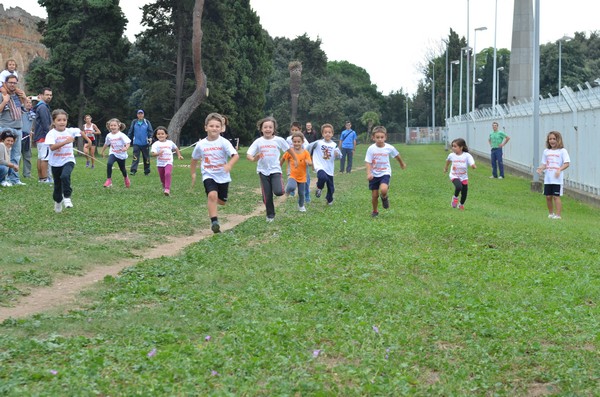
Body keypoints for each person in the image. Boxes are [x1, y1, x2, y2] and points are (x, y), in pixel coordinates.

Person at [191, 113, 239, 233]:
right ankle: (214, 222)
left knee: (222, 201)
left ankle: (215, 199)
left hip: (223, 176)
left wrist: (229, 165)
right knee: (212, 195)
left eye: (217, 126)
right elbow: (194, 160)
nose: (214, 128)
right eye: (211, 126)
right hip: (208, 174)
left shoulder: (224, 142)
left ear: (222, 128)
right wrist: (193, 173)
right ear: (206, 127)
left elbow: (235, 156)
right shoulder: (201, 144)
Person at [247, 116, 298, 222]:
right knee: (267, 195)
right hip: (262, 171)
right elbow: (249, 155)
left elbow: (289, 149)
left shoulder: (279, 140)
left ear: (274, 129)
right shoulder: (258, 141)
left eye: (270, 127)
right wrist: (254, 158)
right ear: (261, 129)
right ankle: (270, 215)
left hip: (275, 170)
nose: (268, 129)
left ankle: (284, 187)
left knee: (279, 191)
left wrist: (295, 159)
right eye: (265, 127)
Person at [45, 109, 91, 212]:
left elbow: (80, 131)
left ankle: (67, 197)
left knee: (65, 176)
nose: (62, 122)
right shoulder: (51, 134)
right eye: (59, 120)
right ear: (54, 121)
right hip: (55, 163)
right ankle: (58, 202)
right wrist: (66, 141)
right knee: (57, 185)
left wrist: (88, 141)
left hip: (68, 160)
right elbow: (52, 147)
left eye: (64, 120)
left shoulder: (70, 131)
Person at [365, 126, 407, 217]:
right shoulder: (371, 149)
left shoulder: (389, 148)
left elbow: (397, 155)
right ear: (373, 137)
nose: (380, 139)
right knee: (375, 195)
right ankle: (375, 211)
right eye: (377, 137)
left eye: (382, 137)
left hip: (385, 172)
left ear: (385, 137)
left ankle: (384, 197)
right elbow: (368, 162)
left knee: (383, 190)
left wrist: (402, 163)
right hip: (374, 174)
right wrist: (368, 173)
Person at [536, 131, 570, 219]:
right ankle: (551, 214)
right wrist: (540, 168)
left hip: (557, 180)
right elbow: (544, 164)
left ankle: (558, 215)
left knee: (556, 196)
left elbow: (567, 163)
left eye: (554, 139)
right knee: (548, 196)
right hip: (548, 179)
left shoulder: (562, 151)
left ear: (558, 140)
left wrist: (559, 169)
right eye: (550, 139)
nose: (552, 141)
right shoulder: (546, 151)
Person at [0, 74, 27, 186]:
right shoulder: (2, 95)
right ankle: (4, 179)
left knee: (16, 155)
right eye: (10, 82)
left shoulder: (18, 94)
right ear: (5, 83)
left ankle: (15, 179)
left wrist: (24, 98)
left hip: (18, 128)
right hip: (5, 127)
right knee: (5, 155)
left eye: (14, 83)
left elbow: (24, 109)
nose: (12, 85)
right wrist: (5, 101)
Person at [306, 123, 341, 205]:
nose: (327, 134)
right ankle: (319, 187)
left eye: (329, 132)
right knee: (322, 177)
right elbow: (307, 147)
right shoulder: (318, 143)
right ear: (322, 134)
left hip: (329, 168)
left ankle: (329, 199)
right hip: (319, 166)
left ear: (332, 134)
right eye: (325, 132)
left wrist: (337, 155)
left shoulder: (334, 145)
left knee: (331, 187)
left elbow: (340, 156)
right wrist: (307, 156)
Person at [281, 131, 312, 212]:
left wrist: (308, 162)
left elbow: (310, 162)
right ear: (292, 142)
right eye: (294, 142)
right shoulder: (290, 151)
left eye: (299, 142)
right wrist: (279, 167)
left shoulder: (305, 152)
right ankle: (287, 191)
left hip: (302, 176)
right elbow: (283, 158)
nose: (296, 143)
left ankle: (301, 206)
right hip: (292, 174)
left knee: (301, 193)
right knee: (291, 186)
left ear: (302, 142)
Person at [444, 138, 477, 210]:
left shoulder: (467, 155)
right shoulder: (451, 155)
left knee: (464, 193)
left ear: (461, 147)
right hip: (454, 175)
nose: (453, 148)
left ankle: (461, 205)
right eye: (452, 146)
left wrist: (473, 165)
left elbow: (471, 162)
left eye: (455, 146)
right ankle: (455, 198)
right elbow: (448, 161)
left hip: (464, 177)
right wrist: (446, 168)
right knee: (459, 187)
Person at [151, 126, 183, 196]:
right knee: (162, 178)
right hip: (160, 164)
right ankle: (164, 186)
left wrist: (179, 155)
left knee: (167, 174)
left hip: (168, 162)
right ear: (156, 135)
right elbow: (153, 154)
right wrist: (158, 153)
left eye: (162, 134)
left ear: (166, 135)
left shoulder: (170, 142)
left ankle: (167, 189)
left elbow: (176, 148)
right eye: (158, 134)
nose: (160, 135)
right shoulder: (155, 144)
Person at [101, 118, 131, 188]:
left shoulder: (121, 135)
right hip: (113, 153)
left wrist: (126, 148)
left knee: (122, 169)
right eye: (111, 125)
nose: (113, 127)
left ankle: (126, 178)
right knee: (109, 163)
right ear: (109, 126)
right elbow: (106, 144)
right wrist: (102, 151)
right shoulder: (109, 135)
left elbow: (128, 142)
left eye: (115, 125)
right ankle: (109, 180)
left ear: (118, 126)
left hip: (121, 154)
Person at [33, 87, 53, 183]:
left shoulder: (40, 106)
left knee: (41, 157)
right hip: (43, 136)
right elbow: (46, 124)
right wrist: (50, 136)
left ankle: (41, 178)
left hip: (39, 136)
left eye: (50, 95)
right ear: (41, 96)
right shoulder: (43, 107)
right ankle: (45, 179)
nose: (49, 97)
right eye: (47, 95)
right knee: (45, 158)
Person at [127, 109, 153, 176]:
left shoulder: (146, 122)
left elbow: (150, 131)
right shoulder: (134, 122)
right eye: (139, 114)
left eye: (141, 114)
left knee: (146, 158)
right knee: (135, 157)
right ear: (137, 115)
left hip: (145, 143)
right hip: (136, 143)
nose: (140, 115)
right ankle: (133, 171)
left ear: (143, 114)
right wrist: (127, 140)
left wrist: (150, 138)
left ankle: (147, 171)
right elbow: (130, 131)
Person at [20, 97, 35, 178]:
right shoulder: (20, 112)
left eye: (30, 103)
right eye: (27, 102)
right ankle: (14, 174)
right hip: (20, 135)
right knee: (17, 156)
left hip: (27, 137)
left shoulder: (32, 114)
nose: (29, 104)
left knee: (27, 156)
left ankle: (27, 174)